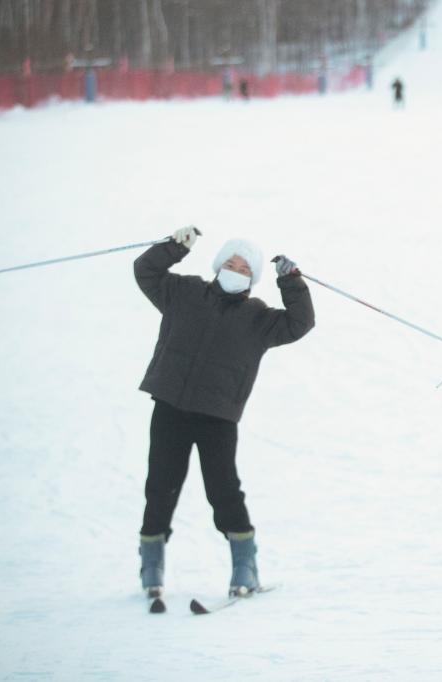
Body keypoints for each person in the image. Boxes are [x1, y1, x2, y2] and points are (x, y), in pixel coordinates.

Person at [134, 227, 315, 603]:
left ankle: (245, 566)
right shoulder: (183, 293)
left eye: (245, 268)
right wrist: (174, 247)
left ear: (253, 278)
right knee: (161, 487)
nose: (236, 269)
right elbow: (145, 271)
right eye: (230, 263)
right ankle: (151, 564)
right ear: (218, 266)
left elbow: (300, 323)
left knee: (224, 491)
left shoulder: (259, 318)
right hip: (170, 406)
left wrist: (292, 282)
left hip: (217, 416)